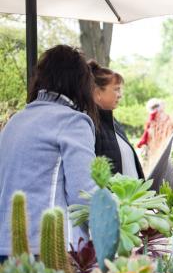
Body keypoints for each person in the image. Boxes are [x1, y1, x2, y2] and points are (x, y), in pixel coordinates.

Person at [0, 45, 99, 257]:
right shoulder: (72, 121)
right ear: (81, 82)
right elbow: (84, 194)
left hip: (6, 245)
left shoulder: (15, 121)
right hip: (50, 250)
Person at [89, 61, 144, 179]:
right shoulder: (90, 125)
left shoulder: (113, 122)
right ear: (97, 92)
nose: (120, 95)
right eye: (116, 89)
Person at [137, 98, 173, 174]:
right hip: (166, 148)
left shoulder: (152, 117)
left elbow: (146, 134)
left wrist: (141, 143)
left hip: (156, 149)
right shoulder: (168, 117)